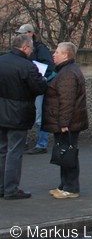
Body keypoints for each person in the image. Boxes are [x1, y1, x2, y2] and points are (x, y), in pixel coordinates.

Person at [0, 34, 49, 200]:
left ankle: (1, 187)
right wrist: (42, 80)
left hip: (1, 112)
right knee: (15, 151)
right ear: (26, 48)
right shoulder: (27, 66)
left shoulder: (1, 61)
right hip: (18, 114)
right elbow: (39, 88)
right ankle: (11, 189)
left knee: (2, 150)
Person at [41, 42, 88, 199]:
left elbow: (67, 101)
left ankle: (71, 188)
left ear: (65, 55)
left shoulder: (67, 73)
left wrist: (64, 124)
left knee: (68, 154)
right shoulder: (66, 71)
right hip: (67, 122)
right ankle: (64, 185)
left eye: (57, 52)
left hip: (68, 123)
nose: (53, 54)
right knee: (64, 153)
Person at [17, 23, 54, 155]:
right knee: (25, 113)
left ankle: (42, 144)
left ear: (30, 33)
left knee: (39, 116)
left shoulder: (39, 48)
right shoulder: (27, 49)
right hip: (28, 85)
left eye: (22, 33)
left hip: (36, 84)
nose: (20, 36)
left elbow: (49, 66)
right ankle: (26, 142)